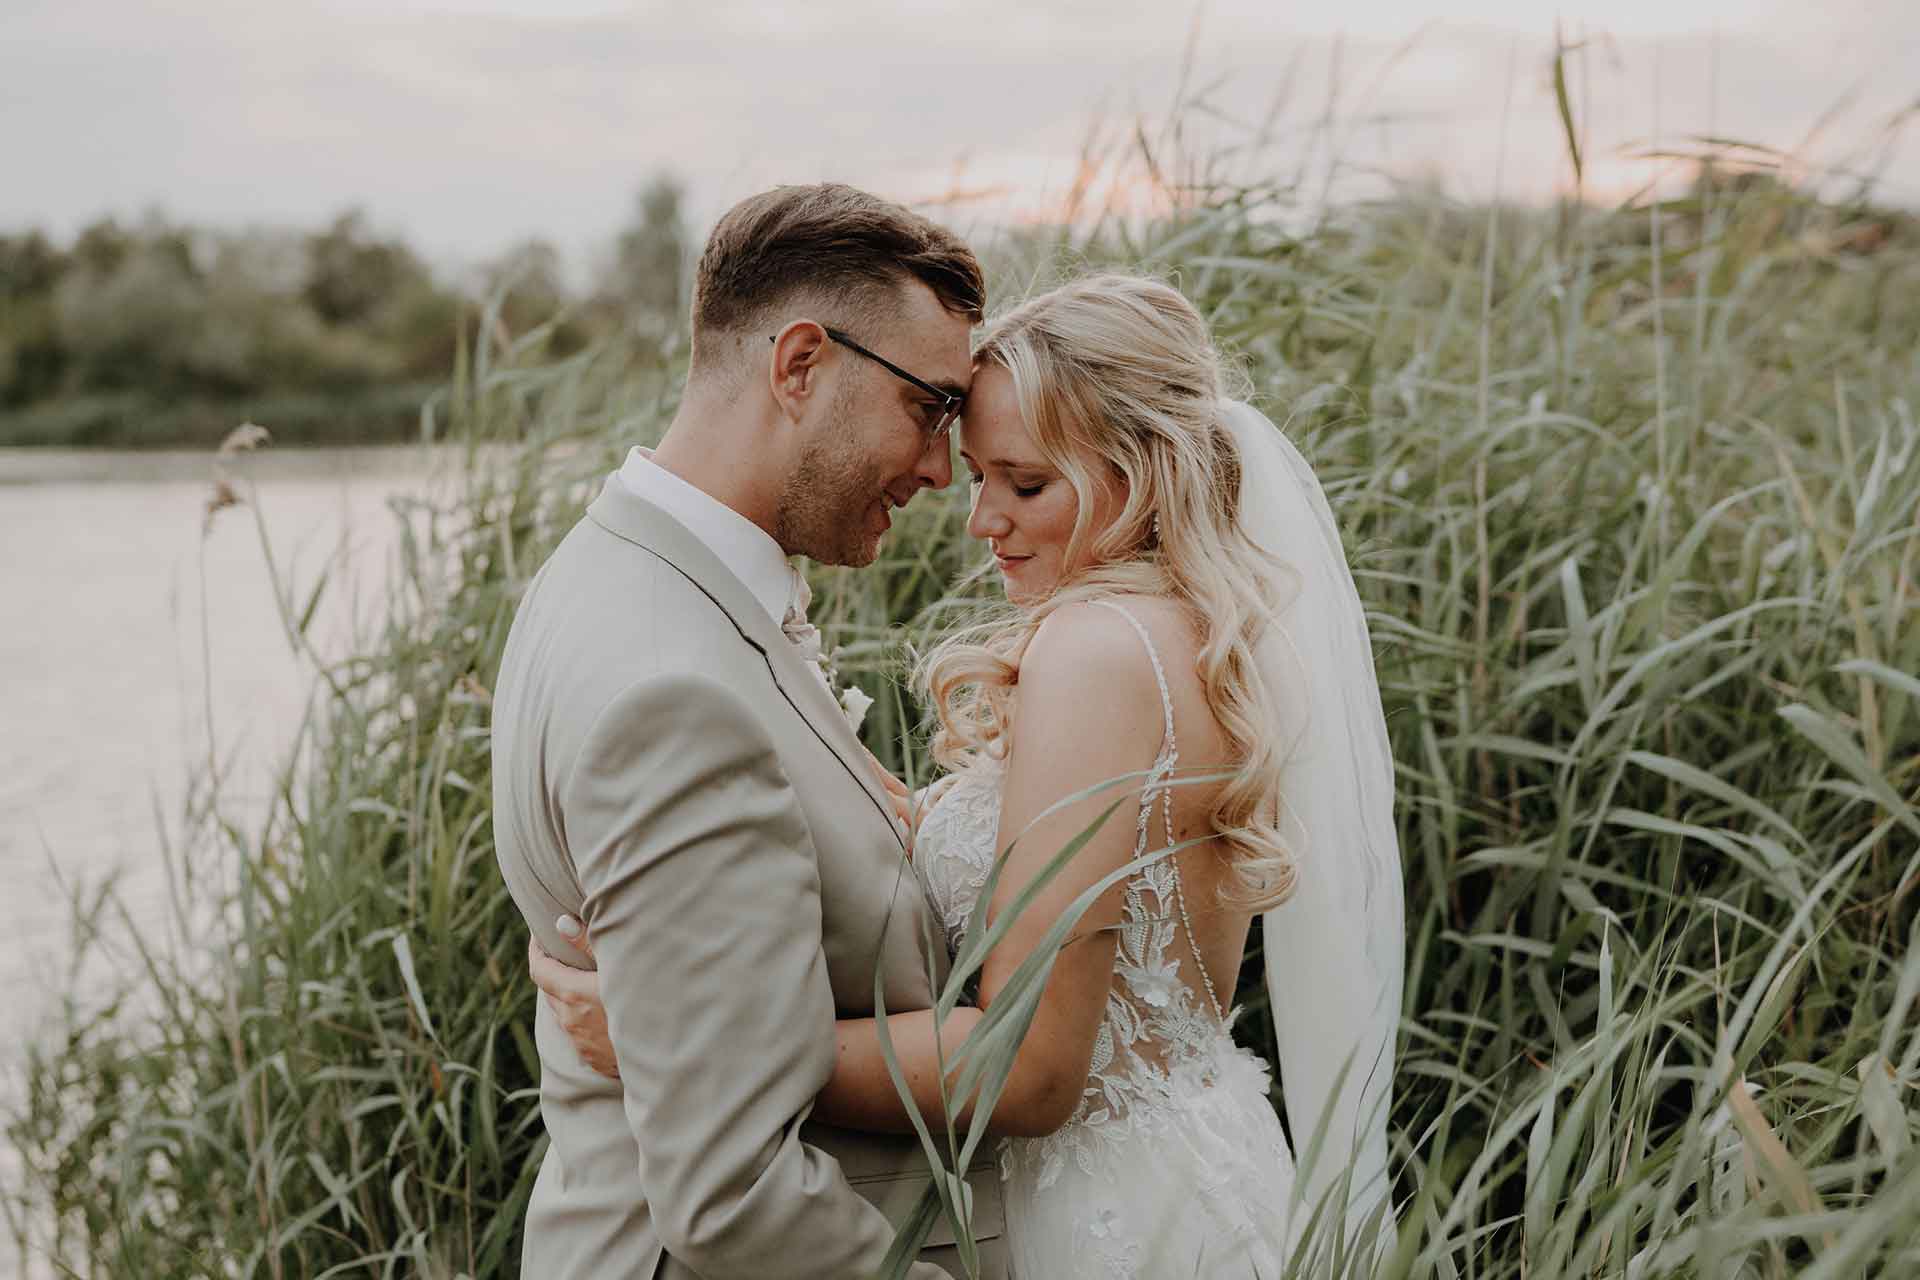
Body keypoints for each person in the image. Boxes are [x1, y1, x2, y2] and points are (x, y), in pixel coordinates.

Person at [536, 273, 1407, 1276]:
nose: (979, 517)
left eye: (1025, 482)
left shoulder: (1097, 650)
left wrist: (690, 1045)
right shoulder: (1196, 639)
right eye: (982, 476)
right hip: (1200, 1171)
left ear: (1148, 471)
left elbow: (1033, 1067)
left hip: (1102, 1215)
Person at [490, 182, 1011, 1280]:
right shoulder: (670, 689)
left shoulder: (611, 574)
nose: (939, 469)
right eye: (931, 407)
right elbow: (733, 1196)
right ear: (800, 365)